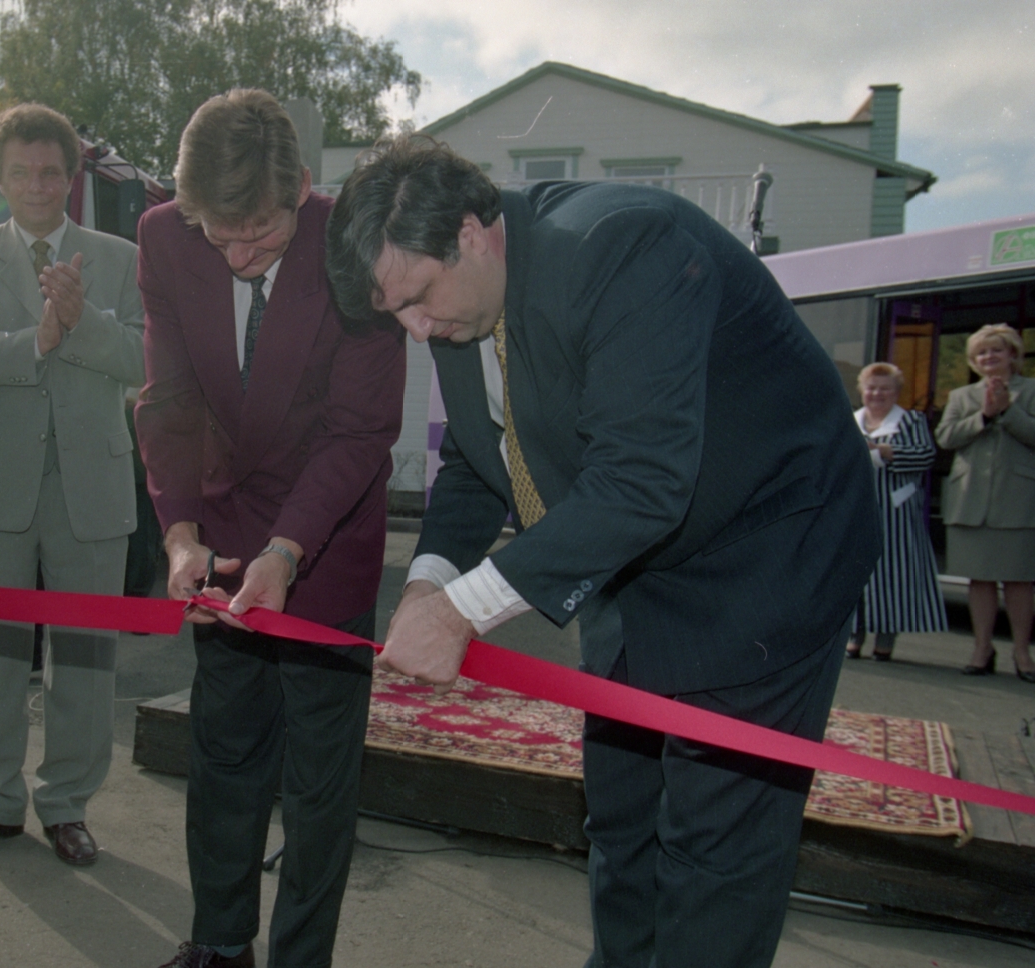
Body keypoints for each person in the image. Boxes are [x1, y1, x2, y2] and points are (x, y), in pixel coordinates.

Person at [325, 136, 879, 968]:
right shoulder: (458, 303)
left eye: (418, 300)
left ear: (472, 233)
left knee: (714, 850)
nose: (416, 329)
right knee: (621, 817)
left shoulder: (620, 247)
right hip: (631, 567)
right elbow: (478, 460)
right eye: (396, 313)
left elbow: (643, 482)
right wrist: (426, 584)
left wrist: (462, 612)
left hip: (765, 561)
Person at [134, 89, 405, 968]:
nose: (240, 257)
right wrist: (180, 533)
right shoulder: (165, 239)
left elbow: (359, 429)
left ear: (302, 189)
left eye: (261, 233)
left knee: (320, 774)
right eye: (220, 234)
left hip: (326, 533)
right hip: (223, 536)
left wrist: (288, 550)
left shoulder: (351, 242)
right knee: (224, 749)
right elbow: (170, 400)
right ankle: (220, 942)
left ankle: (300, 956)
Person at [0, 103, 145, 866]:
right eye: (21, 172)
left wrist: (83, 324)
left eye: (51, 172)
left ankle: (66, 804)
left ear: (72, 177)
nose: (37, 185)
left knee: (85, 654)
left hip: (94, 486)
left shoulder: (120, 257)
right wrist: (39, 339)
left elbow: (146, 361)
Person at [935, 323, 1035, 682]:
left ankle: (1021, 652)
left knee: (1019, 580)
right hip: (970, 499)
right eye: (981, 352)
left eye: (996, 350)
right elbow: (945, 437)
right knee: (979, 580)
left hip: (1019, 501)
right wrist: (984, 417)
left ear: (1012, 354)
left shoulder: (1031, 390)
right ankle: (982, 649)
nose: (988, 357)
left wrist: (1008, 412)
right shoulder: (962, 396)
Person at [846, 362, 947, 661]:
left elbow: (926, 455)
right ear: (862, 390)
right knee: (853, 571)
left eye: (885, 389)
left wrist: (888, 452)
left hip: (896, 512)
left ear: (896, 392)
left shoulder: (910, 420)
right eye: (872, 388)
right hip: (856, 508)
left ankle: (885, 639)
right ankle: (853, 636)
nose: (877, 394)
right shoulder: (851, 420)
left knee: (893, 574)